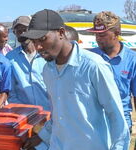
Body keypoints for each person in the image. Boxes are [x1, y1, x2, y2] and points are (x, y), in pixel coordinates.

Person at [21, 9, 130, 150]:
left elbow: (116, 117)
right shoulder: (48, 70)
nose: (38, 47)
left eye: (42, 39)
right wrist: (42, 136)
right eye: (34, 42)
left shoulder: (93, 66)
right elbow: (58, 114)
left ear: (61, 33)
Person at [87, 11, 136, 133]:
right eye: (96, 34)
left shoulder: (132, 60)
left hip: (121, 127)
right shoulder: (88, 57)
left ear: (117, 33)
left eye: (102, 35)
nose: (98, 39)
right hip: (93, 127)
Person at [6, 16, 50, 110]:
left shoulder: (47, 54)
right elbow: (11, 91)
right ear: (14, 33)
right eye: (19, 31)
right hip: (25, 114)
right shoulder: (10, 58)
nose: (22, 33)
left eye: (25, 29)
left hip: (50, 112)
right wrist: (21, 109)